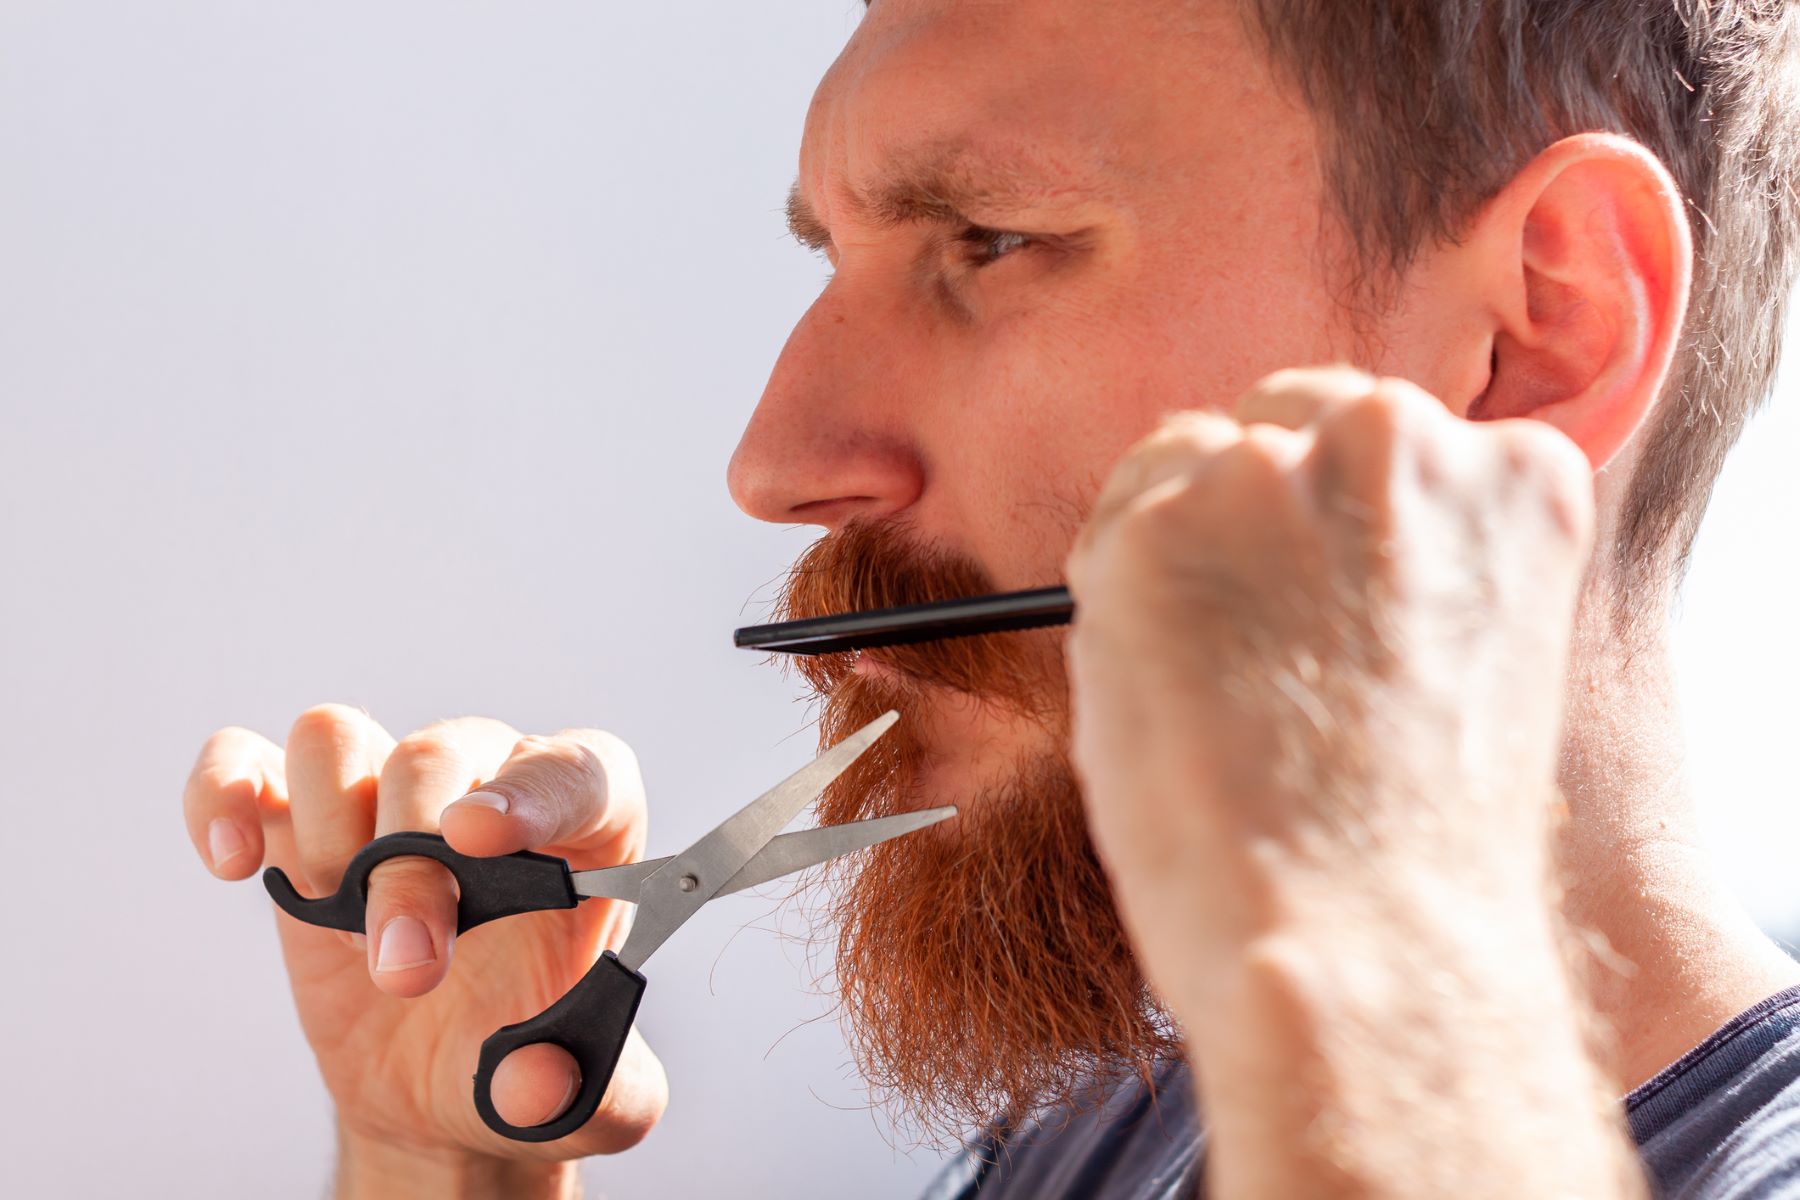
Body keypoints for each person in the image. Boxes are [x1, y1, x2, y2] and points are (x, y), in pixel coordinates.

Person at [180, 0, 1800, 1196]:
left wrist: (1363, 957)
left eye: (993, 239)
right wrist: (434, 1166)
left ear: (1543, 327)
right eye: (834, 257)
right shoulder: (1114, 1139)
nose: (776, 461)